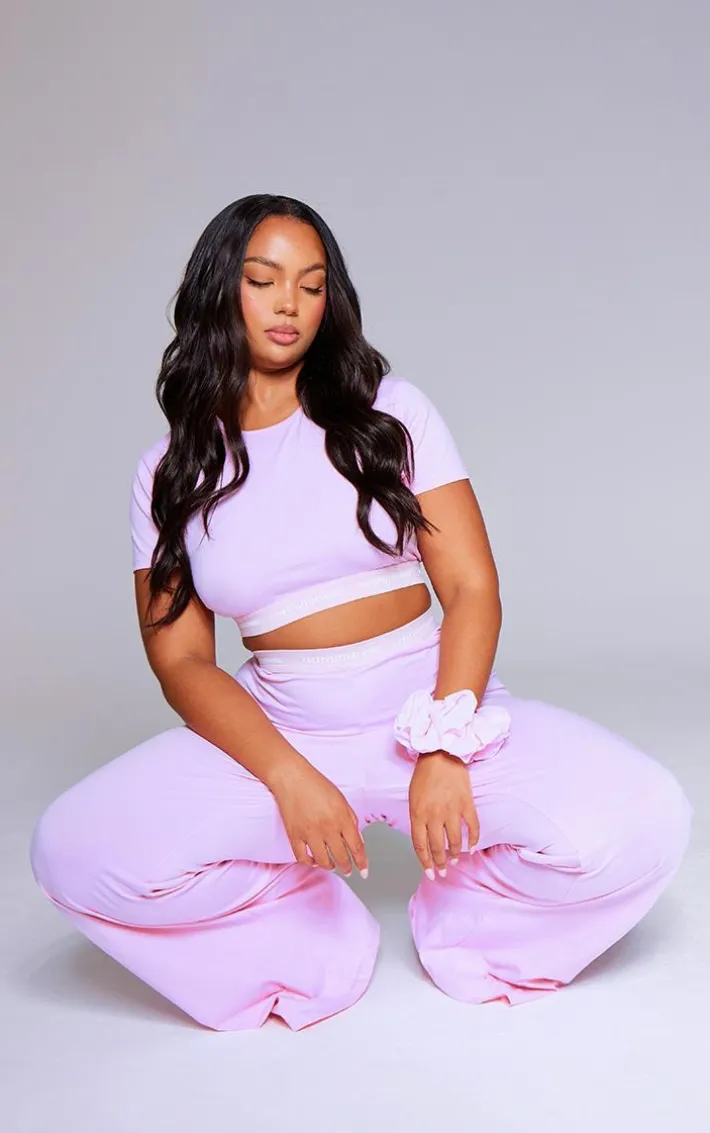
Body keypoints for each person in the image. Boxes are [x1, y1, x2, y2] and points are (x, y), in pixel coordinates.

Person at [29, 194, 692, 1032]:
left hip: (429, 704)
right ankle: (312, 942)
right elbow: (181, 661)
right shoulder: (169, 470)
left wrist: (446, 742)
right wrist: (288, 776)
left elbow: (472, 588)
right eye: (263, 280)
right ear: (218, 290)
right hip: (281, 727)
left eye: (311, 286)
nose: (288, 304)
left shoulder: (391, 412)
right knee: (70, 849)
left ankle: (469, 928)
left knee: (649, 817)